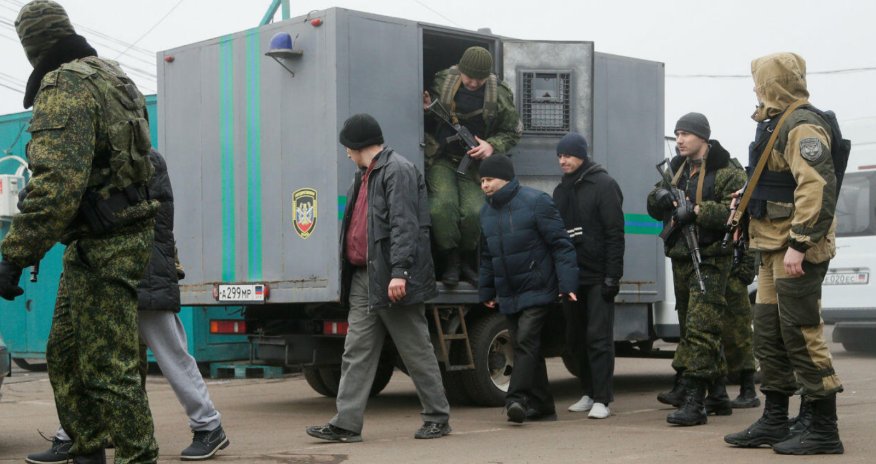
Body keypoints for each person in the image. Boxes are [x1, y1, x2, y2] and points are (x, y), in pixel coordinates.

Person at [0, 1, 160, 462]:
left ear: (33, 47)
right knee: (67, 353)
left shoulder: (64, 85)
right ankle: (87, 448)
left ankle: (138, 456)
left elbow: (57, 186)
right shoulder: (112, 75)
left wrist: (13, 256)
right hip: (105, 236)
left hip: (107, 241)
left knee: (109, 367)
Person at [25, 149, 230, 463]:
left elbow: (118, 214)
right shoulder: (107, 157)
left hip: (143, 270)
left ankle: (208, 425)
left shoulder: (141, 160)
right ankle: (73, 434)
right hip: (117, 268)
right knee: (91, 357)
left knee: (169, 352)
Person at [724, 52, 844, 455]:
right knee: (771, 334)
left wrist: (800, 243)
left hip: (796, 247)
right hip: (771, 244)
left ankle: (823, 426)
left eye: (760, 81)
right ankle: (776, 418)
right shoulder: (774, 123)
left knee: (801, 332)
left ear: (773, 82)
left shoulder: (802, 124)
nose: (755, 89)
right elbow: (779, 181)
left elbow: (816, 187)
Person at [306, 114, 450, 442]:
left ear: (358, 145)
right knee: (356, 350)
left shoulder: (396, 170)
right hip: (363, 276)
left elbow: (405, 225)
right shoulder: (364, 175)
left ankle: (437, 417)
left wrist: (399, 272)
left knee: (415, 349)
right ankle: (346, 424)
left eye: (347, 147)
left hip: (390, 275)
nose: (345, 153)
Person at [646, 113, 746, 426]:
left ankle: (694, 401)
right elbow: (652, 202)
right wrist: (661, 197)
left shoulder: (727, 170)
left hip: (712, 259)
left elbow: (739, 212)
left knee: (702, 329)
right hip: (680, 257)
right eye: (677, 134)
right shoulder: (676, 169)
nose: (679, 140)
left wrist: (700, 211)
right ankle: (717, 394)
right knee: (692, 328)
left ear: (703, 137)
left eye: (686, 134)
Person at [478, 154, 578, 424]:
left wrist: (567, 283)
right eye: (482, 181)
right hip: (509, 292)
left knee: (525, 342)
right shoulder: (486, 212)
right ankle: (544, 407)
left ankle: (516, 398)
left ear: (506, 178)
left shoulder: (537, 202)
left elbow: (561, 244)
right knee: (528, 347)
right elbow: (487, 256)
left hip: (538, 286)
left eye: (489, 179)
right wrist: (486, 291)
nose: (484, 185)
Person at [423, 46, 522, 286]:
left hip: (474, 165)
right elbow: (423, 119)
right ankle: (451, 261)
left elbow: (513, 132)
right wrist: (427, 109)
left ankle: (467, 260)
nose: (474, 83)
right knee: (442, 207)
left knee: (476, 212)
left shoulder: (498, 94)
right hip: (443, 159)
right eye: (469, 78)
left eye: (480, 79)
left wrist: (492, 146)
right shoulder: (443, 82)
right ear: (461, 70)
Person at [551, 133, 624, 419]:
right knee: (575, 339)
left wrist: (612, 277)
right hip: (572, 278)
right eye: (559, 156)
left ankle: (602, 399)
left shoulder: (604, 185)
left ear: (582, 155)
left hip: (598, 277)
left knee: (598, 338)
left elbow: (615, 234)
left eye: (567, 155)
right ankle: (588, 391)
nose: (563, 160)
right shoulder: (561, 191)